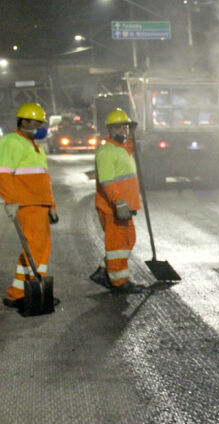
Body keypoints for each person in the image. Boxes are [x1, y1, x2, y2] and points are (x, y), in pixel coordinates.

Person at [0, 103, 58, 309]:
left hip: (40, 205)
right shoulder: (11, 142)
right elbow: (4, 174)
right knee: (33, 248)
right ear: (23, 122)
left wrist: (51, 205)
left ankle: (32, 289)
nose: (40, 127)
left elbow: (43, 179)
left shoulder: (35, 146)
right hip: (27, 205)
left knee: (41, 250)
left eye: (41, 123)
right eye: (35, 123)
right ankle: (16, 294)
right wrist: (11, 201)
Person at [89, 108, 145, 293]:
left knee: (129, 240)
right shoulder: (106, 151)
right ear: (110, 130)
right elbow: (107, 181)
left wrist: (133, 134)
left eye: (126, 128)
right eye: (119, 128)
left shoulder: (124, 149)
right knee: (117, 246)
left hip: (125, 206)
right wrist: (118, 202)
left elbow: (131, 148)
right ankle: (119, 282)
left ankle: (105, 271)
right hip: (113, 207)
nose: (124, 132)